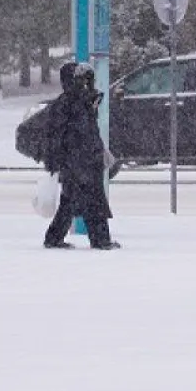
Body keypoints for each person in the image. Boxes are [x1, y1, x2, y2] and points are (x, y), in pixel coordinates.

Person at [41, 61, 119, 250]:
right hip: (81, 161)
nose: (86, 83)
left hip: (78, 160)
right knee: (93, 201)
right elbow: (80, 133)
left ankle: (54, 238)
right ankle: (100, 240)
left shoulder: (75, 102)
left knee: (70, 201)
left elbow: (88, 131)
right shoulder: (72, 103)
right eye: (82, 79)